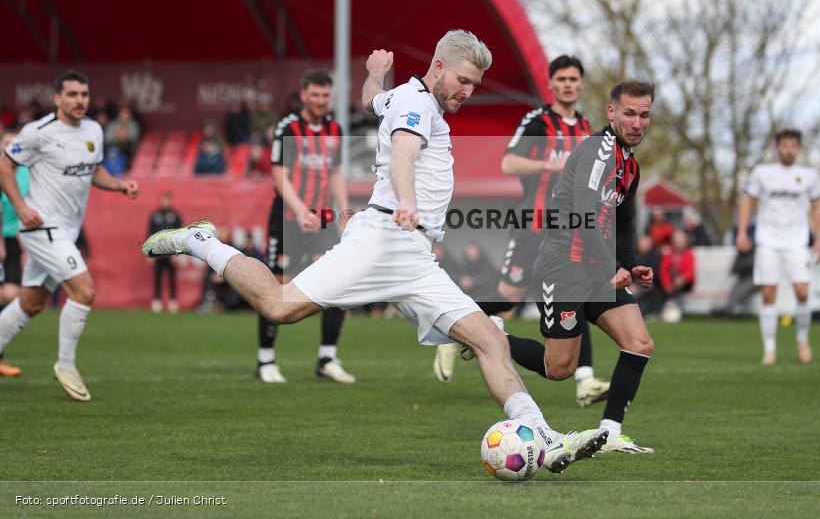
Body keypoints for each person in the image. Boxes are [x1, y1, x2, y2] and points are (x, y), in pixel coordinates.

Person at [143, 31, 607, 472]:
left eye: (474, 84)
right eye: (463, 80)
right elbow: (404, 151)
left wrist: (375, 74)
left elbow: (370, 101)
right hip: (384, 238)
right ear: (439, 66)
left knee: (490, 340)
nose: (468, 91)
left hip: (414, 254)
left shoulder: (401, 95)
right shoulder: (415, 103)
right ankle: (202, 242)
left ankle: (542, 438)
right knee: (278, 307)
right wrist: (407, 199)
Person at [434, 55, 610, 407]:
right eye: (561, 79)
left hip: (569, 230)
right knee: (508, 296)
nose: (568, 84)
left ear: (582, 84)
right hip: (534, 224)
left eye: (574, 78)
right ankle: (453, 331)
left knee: (576, 294)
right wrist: (549, 162)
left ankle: (585, 379)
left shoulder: (586, 128)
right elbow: (508, 162)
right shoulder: (538, 121)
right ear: (552, 83)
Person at [491, 81, 657, 454]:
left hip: (596, 269)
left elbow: (624, 224)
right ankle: (491, 332)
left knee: (639, 343)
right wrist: (612, 264)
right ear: (611, 112)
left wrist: (633, 263)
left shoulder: (629, 164)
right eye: (629, 113)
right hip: (563, 268)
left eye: (644, 114)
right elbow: (584, 215)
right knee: (558, 369)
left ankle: (610, 433)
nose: (637, 122)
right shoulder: (598, 151)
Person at [0, 70, 139, 400]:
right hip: (40, 225)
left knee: (32, 302)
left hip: (67, 230)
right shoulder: (38, 132)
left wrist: (119, 184)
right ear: (57, 98)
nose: (80, 101)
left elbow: (94, 170)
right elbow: (5, 165)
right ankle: (65, 364)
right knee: (85, 290)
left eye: (84, 95)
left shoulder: (93, 129)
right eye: (73, 94)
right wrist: (20, 207)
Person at [254, 69, 355, 385]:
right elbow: (278, 173)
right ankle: (265, 360)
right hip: (287, 218)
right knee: (277, 288)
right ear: (303, 95)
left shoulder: (335, 130)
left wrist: (344, 210)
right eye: (315, 95)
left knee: (338, 285)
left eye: (326, 96)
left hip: (322, 219)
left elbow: (336, 173)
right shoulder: (288, 127)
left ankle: (327, 358)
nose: (321, 101)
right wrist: (299, 210)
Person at [736, 128, 820, 366]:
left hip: (797, 240)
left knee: (803, 292)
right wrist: (743, 232)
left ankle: (803, 341)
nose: (788, 150)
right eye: (784, 145)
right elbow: (747, 202)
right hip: (768, 240)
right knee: (767, 294)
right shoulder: (763, 173)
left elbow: (817, 207)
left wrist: (818, 240)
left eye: (793, 145)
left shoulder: (809, 175)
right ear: (778, 148)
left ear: (798, 148)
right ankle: (770, 348)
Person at [0, 129, 29, 377]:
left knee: (11, 294)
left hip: (14, 241)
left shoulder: (27, 173)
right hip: (1, 240)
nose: (10, 148)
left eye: (14, 144)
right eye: (6, 144)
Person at [147, 191, 182, 313]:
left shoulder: (175, 215)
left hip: (171, 251)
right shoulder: (155, 215)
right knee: (157, 276)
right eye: (162, 200)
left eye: (167, 200)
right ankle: (157, 301)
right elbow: (150, 234)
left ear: (171, 201)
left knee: (172, 276)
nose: (164, 202)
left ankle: (173, 301)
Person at [658, 230, 696, 321]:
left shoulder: (689, 254)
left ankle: (674, 310)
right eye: (677, 241)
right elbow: (663, 271)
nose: (678, 243)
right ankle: (664, 310)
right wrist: (667, 284)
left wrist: (682, 279)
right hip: (671, 282)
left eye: (680, 241)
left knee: (678, 289)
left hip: (685, 283)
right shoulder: (669, 254)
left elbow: (690, 272)